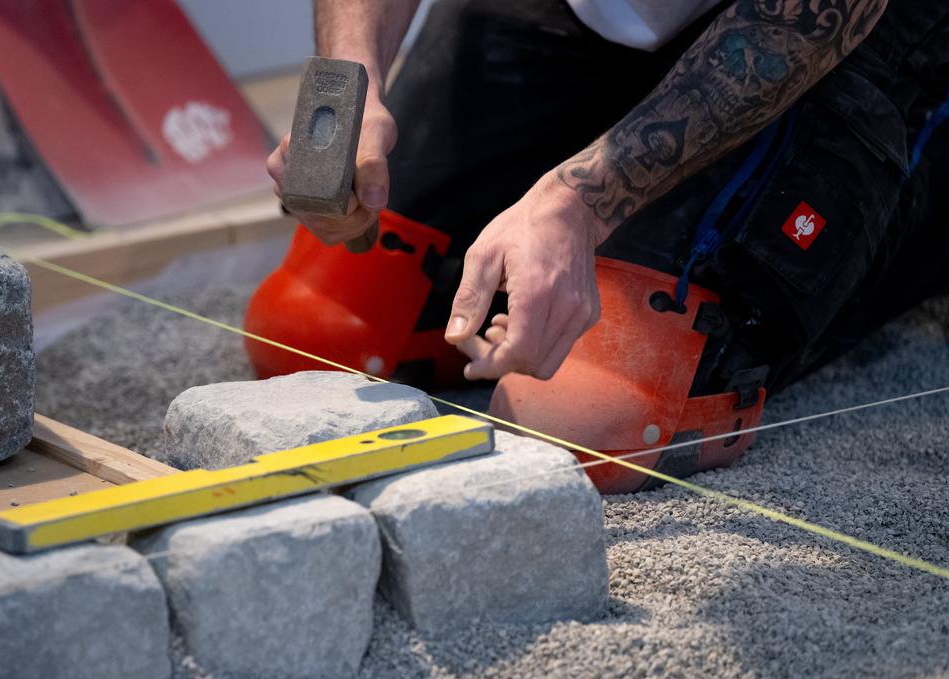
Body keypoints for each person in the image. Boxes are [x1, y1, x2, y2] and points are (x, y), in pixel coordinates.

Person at [252, 0, 949, 493]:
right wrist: (346, 89)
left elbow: (807, 17)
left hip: (828, 25)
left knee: (588, 414)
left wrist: (577, 204)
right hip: (593, 14)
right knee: (321, 326)